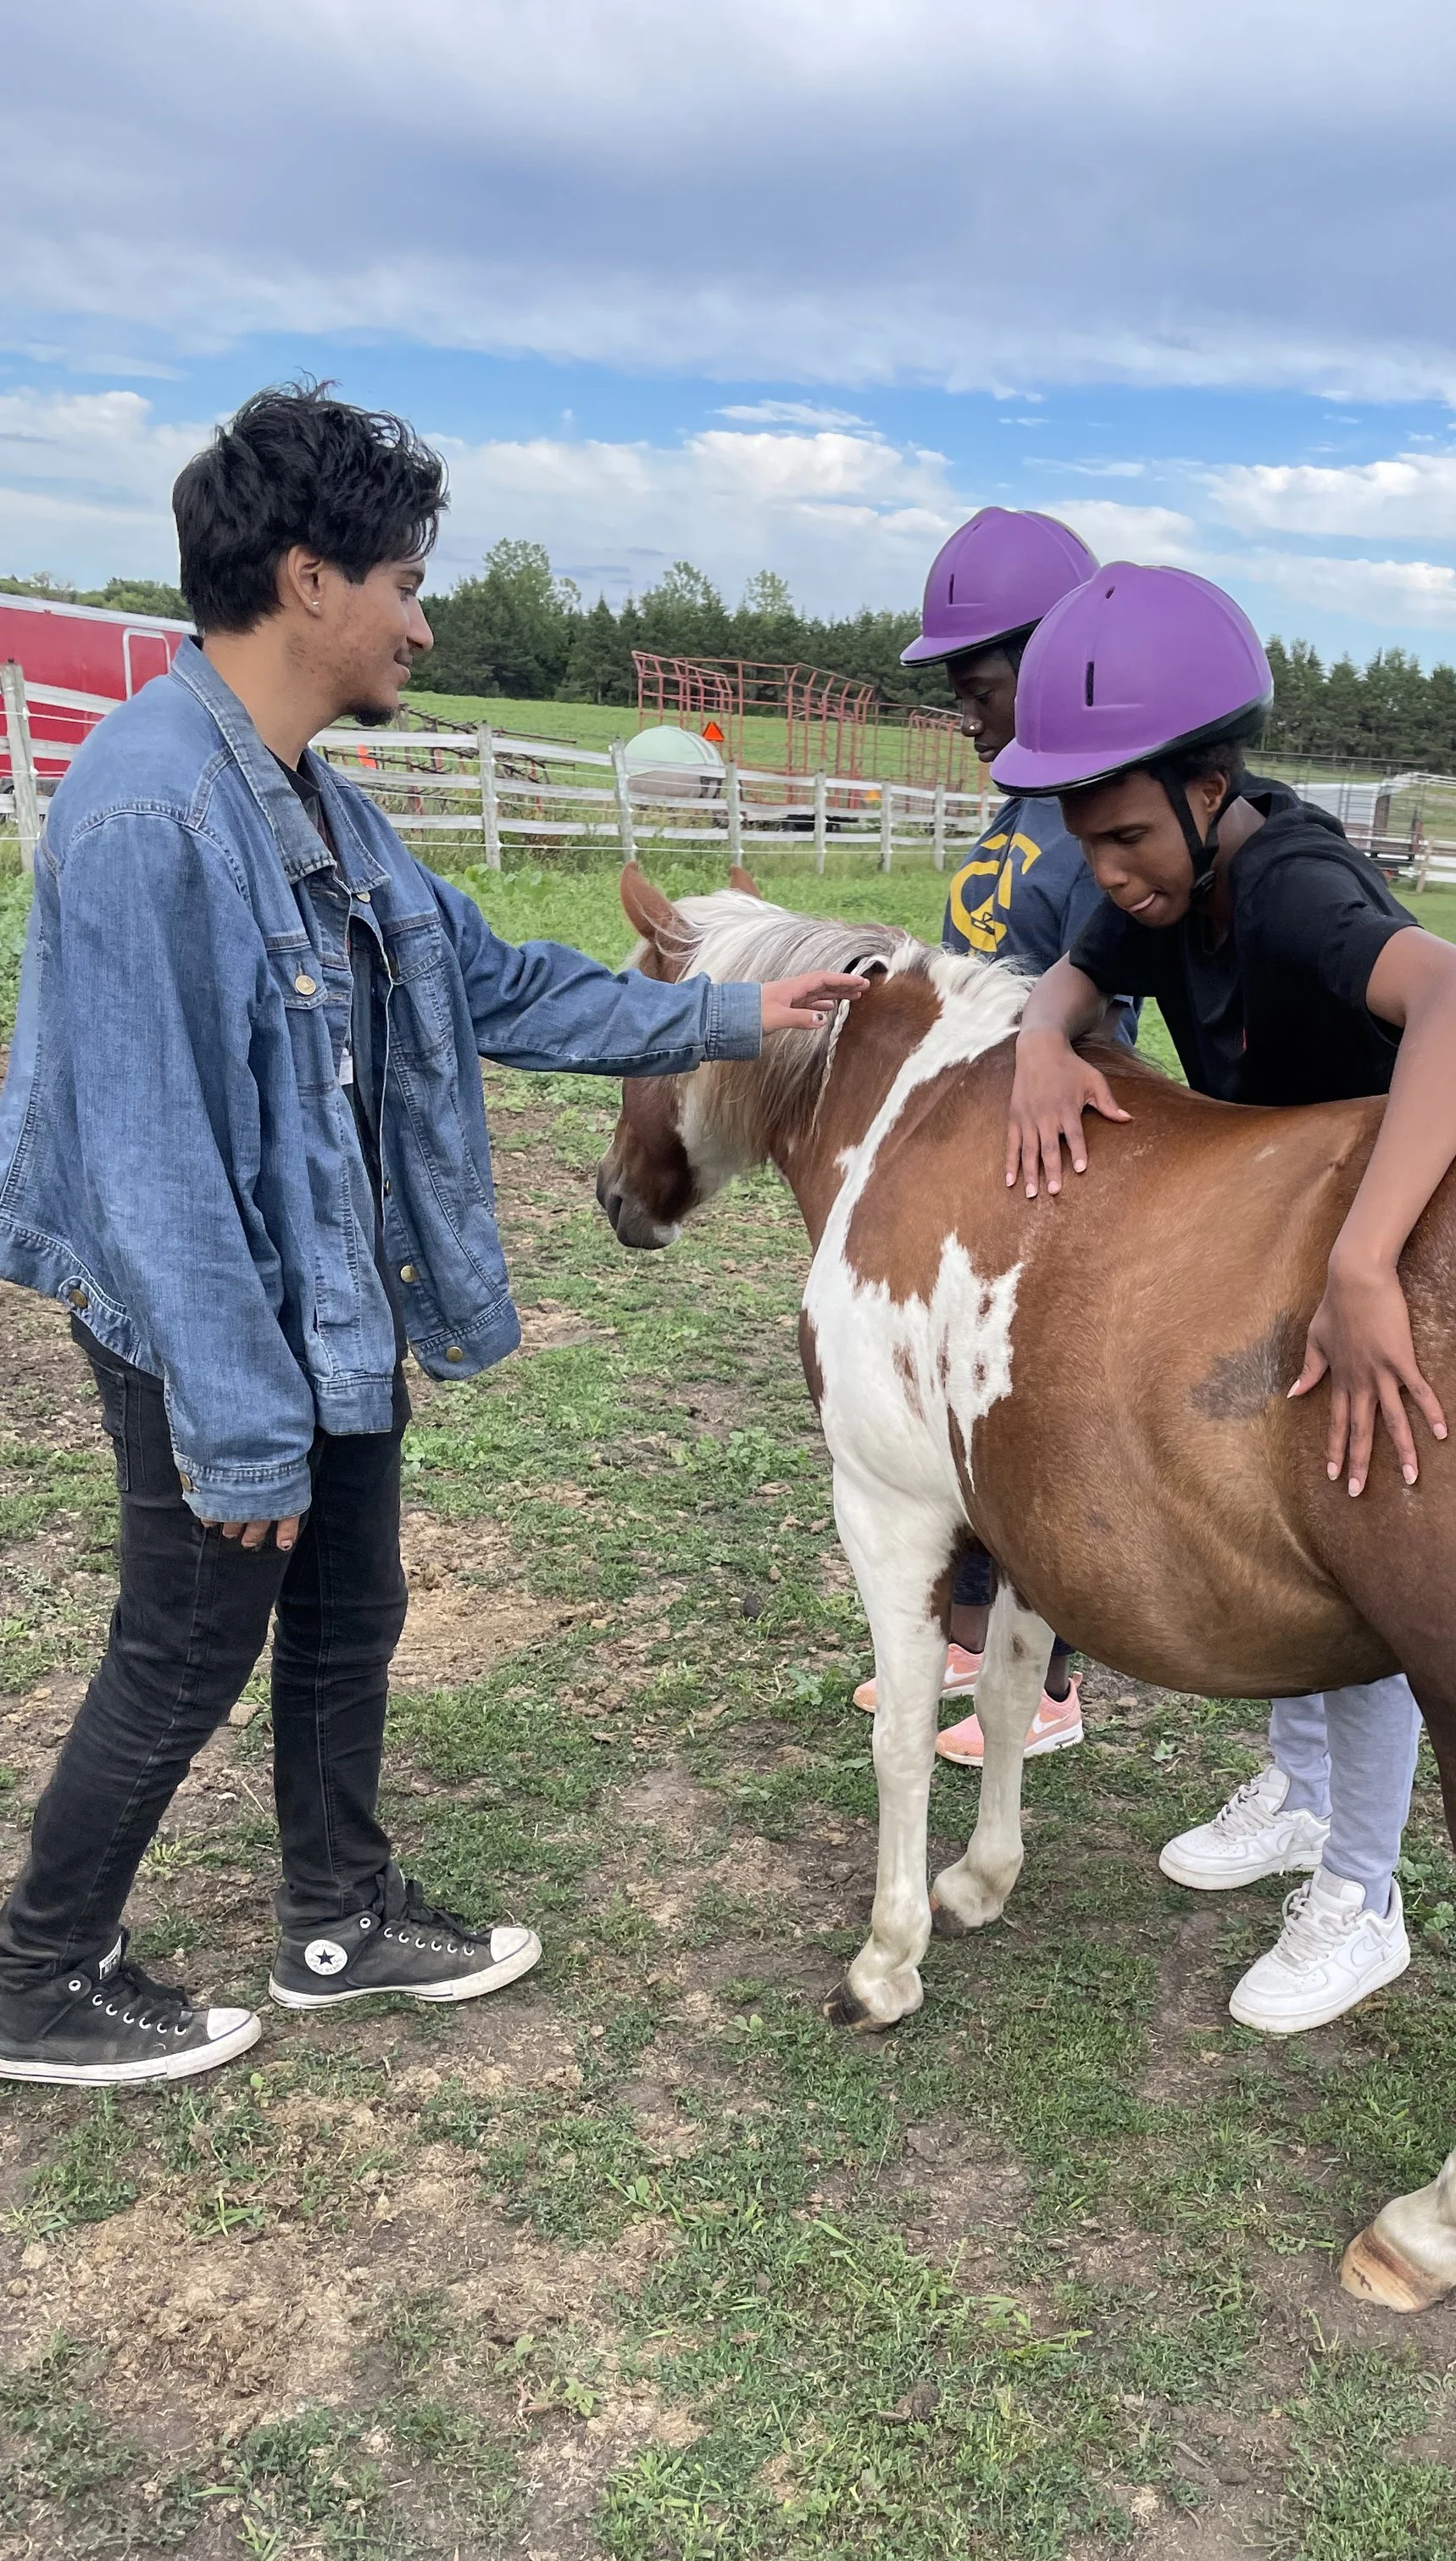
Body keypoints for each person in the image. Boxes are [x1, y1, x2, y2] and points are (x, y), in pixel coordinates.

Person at [0, 385, 864, 2090]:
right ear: (308, 579)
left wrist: (740, 1008)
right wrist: (239, 1430)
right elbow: (155, 1163)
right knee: (187, 1639)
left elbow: (491, 982)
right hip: (215, 1326)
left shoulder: (316, 799)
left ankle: (339, 1915)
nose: (421, 613)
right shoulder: (145, 813)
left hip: (330, 1292)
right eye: (402, 577)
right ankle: (37, 1970)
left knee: (348, 1609)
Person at [992, 565, 1456, 2035]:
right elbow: (1078, 979)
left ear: (1209, 785)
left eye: (1126, 839)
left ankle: (1365, 1894)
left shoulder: (1286, 884)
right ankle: (1297, 1798)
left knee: (1363, 1563)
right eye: (1087, 845)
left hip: (1384, 1228)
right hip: (1286, 1226)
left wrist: (1363, 1264)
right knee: (1289, 1535)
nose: (1110, 877)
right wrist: (1044, 1035)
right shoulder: (1168, 875)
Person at [852, 508, 1105, 1768]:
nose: (965, 709)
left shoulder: (1096, 812)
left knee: (1017, 1404)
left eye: (982, 681)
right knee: (937, 1390)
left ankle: (1046, 1680)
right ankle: (962, 1636)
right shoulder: (1016, 802)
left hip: (1050, 1139)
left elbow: (1098, 983)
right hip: (975, 1129)